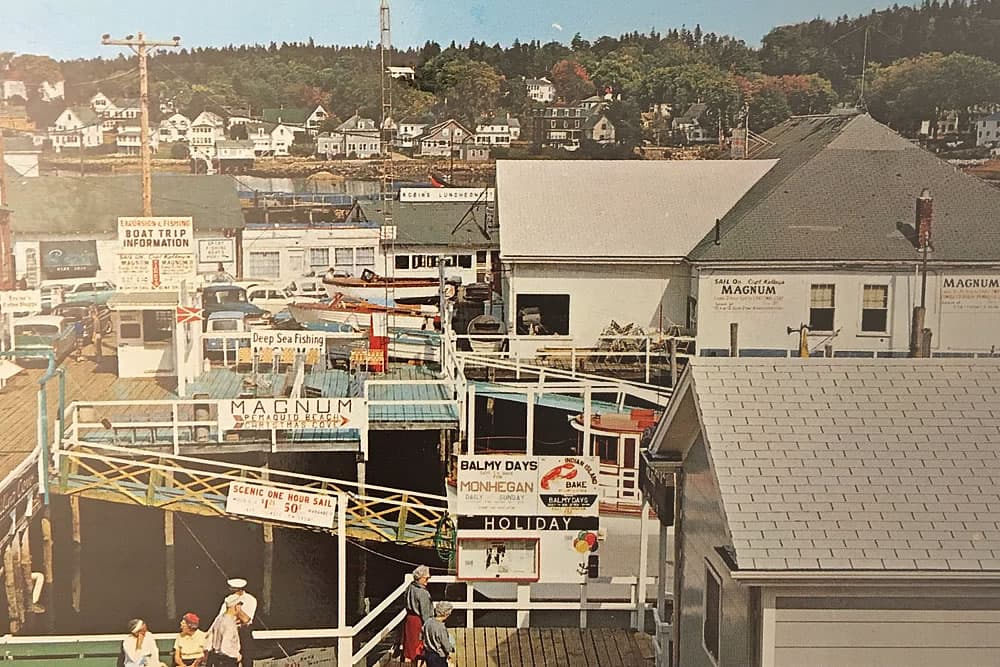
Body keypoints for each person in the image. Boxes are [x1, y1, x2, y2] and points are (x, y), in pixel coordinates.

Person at [216, 578, 256, 666]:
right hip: (230, 633)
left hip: (243, 632)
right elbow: (221, 617)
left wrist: (237, 609)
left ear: (240, 590)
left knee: (246, 660)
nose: (231, 592)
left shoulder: (251, 600)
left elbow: (246, 620)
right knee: (230, 660)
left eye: (233, 590)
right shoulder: (228, 600)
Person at [402, 565, 434, 664]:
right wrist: (429, 626)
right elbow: (425, 613)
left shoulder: (409, 588)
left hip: (409, 620)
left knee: (411, 649)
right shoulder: (422, 592)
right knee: (420, 649)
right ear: (420, 578)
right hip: (418, 621)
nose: (427, 580)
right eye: (426, 578)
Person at [206, 595, 242, 667]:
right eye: (240, 605)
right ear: (235, 606)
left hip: (215, 658)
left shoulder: (219, 619)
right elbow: (225, 647)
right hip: (227, 660)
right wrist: (237, 655)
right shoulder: (230, 624)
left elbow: (209, 638)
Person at [421, 602, 455, 667]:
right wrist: (451, 649)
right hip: (438, 656)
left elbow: (421, 636)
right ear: (446, 614)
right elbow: (445, 644)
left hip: (428, 654)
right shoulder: (441, 627)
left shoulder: (428, 622)